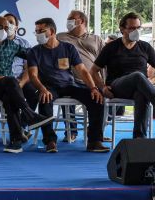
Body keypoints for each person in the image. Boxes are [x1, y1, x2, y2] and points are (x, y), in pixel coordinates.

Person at [0, 16, 53, 153]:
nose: (3, 30)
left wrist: (49, 47)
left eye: (6, 28)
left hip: (7, 88)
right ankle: (29, 114)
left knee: (10, 98)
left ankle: (16, 142)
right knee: (11, 81)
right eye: (0, 27)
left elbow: (31, 55)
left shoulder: (11, 45)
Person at [28, 18, 109, 153]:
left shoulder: (68, 48)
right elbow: (33, 75)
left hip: (69, 85)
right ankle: (50, 141)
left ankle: (94, 141)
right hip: (49, 87)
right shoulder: (34, 51)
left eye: (41, 31)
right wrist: (42, 89)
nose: (38, 34)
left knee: (96, 99)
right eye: (36, 31)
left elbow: (82, 70)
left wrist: (93, 88)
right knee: (44, 98)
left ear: (52, 31)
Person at [90, 12, 155, 139]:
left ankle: (139, 139)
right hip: (117, 86)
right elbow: (93, 71)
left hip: (139, 87)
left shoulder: (145, 47)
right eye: (132, 28)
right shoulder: (111, 47)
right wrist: (102, 87)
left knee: (142, 95)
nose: (136, 31)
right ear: (122, 29)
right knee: (137, 76)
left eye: (138, 28)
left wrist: (151, 81)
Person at [57, 9, 107, 142]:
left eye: (71, 18)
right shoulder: (61, 37)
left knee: (103, 98)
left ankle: (95, 131)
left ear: (82, 21)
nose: (68, 21)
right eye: (68, 19)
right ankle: (71, 131)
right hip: (71, 79)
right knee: (67, 90)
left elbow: (104, 61)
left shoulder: (96, 39)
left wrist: (104, 82)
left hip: (93, 80)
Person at [4, 12, 37, 111]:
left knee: (34, 94)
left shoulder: (24, 44)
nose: (8, 24)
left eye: (11, 22)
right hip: (2, 81)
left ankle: (25, 119)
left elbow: (28, 67)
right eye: (6, 22)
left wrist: (21, 83)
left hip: (20, 80)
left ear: (16, 28)